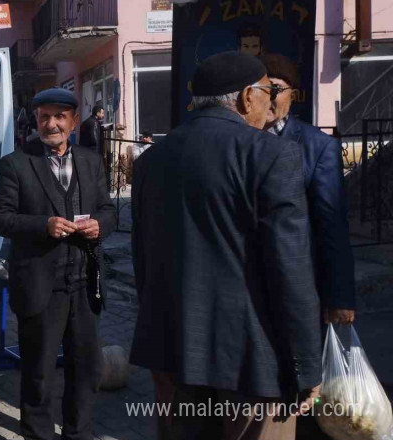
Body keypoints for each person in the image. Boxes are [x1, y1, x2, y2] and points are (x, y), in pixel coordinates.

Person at [130, 52, 322, 440]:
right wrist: (306, 366)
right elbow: (290, 267)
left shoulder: (151, 160)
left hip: (173, 347)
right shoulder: (271, 153)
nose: (271, 101)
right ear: (246, 97)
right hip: (252, 359)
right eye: (267, 90)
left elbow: (143, 259)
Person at [0, 87, 116, 440]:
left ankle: (78, 434)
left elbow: (108, 211)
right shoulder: (16, 163)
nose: (52, 124)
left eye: (60, 117)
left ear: (74, 121)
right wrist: (42, 225)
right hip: (41, 284)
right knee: (39, 373)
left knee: (86, 369)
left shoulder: (91, 161)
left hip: (85, 281)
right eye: (45, 116)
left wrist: (99, 226)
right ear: (36, 120)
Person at [260, 53, 357, 440]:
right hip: (253, 287)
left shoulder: (316, 146)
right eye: (259, 88)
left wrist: (340, 295)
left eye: (275, 89)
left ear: (293, 95)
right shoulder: (240, 140)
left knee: (309, 385)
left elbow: (331, 223)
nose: (267, 97)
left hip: (306, 287)